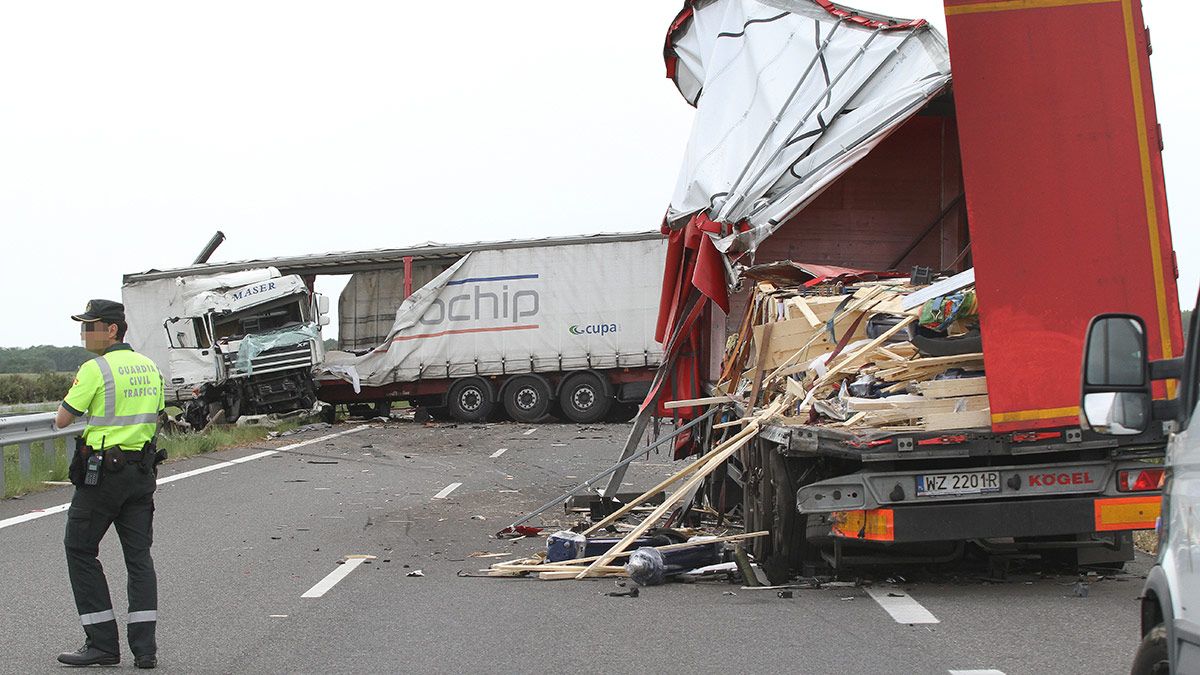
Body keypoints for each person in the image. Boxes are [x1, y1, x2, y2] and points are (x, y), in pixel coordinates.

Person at [54, 299, 165, 669]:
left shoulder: (94, 369)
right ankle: (145, 650)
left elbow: (62, 419)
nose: (83, 333)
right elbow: (157, 414)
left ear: (112, 329)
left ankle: (102, 644)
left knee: (80, 549)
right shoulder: (150, 367)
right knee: (138, 559)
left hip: (103, 477)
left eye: (90, 325)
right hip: (142, 473)